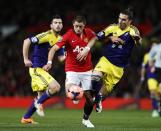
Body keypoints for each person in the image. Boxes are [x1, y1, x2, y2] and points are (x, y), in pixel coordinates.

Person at [43, 15, 96, 128]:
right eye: (76, 26)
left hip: (87, 70)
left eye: (80, 27)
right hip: (72, 69)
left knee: (90, 100)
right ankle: (73, 88)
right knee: (72, 92)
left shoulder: (89, 33)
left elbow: (96, 38)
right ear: (73, 25)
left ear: (84, 26)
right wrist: (49, 63)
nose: (78, 28)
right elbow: (53, 49)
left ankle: (86, 119)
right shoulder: (68, 35)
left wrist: (87, 49)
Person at [88, 7, 141, 113]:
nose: (120, 21)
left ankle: (99, 99)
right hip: (106, 60)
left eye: (123, 19)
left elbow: (139, 43)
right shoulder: (112, 27)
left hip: (119, 67)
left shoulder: (133, 30)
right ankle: (94, 97)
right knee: (94, 77)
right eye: (119, 18)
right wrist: (110, 38)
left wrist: (137, 40)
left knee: (104, 94)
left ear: (130, 21)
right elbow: (98, 38)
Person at [21, 15, 65, 124]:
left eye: (60, 23)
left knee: (41, 95)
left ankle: (26, 118)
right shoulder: (46, 35)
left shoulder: (60, 39)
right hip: (36, 68)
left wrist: (71, 54)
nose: (58, 24)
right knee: (55, 87)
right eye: (55, 22)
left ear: (62, 25)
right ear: (51, 25)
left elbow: (61, 59)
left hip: (44, 70)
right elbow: (27, 41)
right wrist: (25, 59)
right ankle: (39, 103)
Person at [141, 42, 159, 117]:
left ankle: (158, 108)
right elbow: (143, 67)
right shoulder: (147, 56)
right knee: (152, 93)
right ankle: (155, 110)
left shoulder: (159, 55)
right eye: (153, 46)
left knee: (158, 94)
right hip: (151, 77)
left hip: (159, 77)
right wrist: (142, 77)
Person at [149, 40, 161, 116]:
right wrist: (152, 66)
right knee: (158, 91)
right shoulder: (157, 47)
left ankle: (159, 107)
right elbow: (150, 56)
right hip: (159, 69)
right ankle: (158, 108)